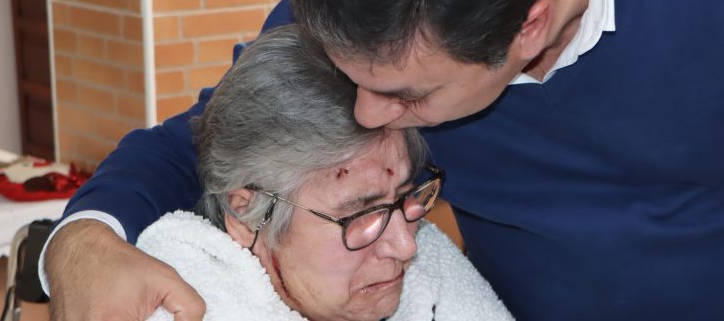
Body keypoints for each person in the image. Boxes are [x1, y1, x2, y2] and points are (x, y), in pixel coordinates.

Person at [42, 0, 724, 320]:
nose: (368, 115)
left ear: (530, 31)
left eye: (405, 100)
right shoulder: (390, 9)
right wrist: (81, 239)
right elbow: (208, 134)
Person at [136, 26, 511, 321]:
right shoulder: (180, 305)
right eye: (362, 213)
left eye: (404, 195)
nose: (406, 246)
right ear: (247, 215)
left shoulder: (432, 278)